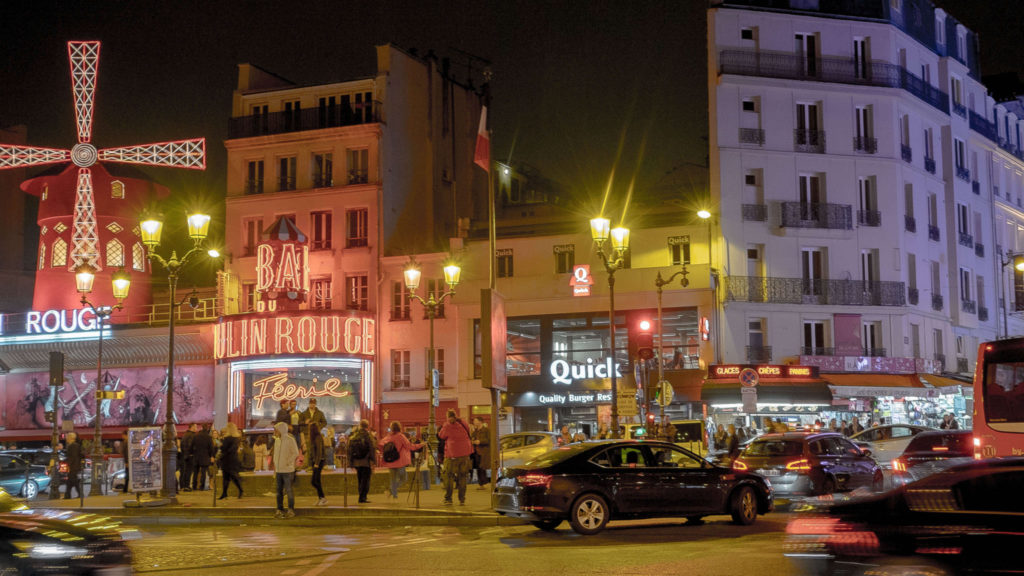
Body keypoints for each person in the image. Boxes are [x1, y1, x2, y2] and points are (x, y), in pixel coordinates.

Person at [378, 421, 424, 500]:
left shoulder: (388, 437)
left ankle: (394, 497)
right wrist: (421, 445)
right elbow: (410, 447)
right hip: (399, 462)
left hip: (391, 462)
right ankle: (390, 491)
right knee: (403, 478)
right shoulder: (401, 436)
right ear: (399, 427)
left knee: (393, 479)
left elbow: (380, 444)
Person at [438, 409, 473, 505]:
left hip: (452, 454)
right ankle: (462, 499)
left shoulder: (447, 425)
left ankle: (448, 499)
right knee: (462, 477)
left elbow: (441, 435)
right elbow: (469, 431)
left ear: (448, 417)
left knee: (448, 476)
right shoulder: (463, 423)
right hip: (465, 454)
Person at [272, 421, 299, 518]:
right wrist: (275, 467)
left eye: (276, 430)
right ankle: (279, 509)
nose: (275, 432)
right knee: (279, 491)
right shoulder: (277, 441)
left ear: (281, 430)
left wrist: (288, 462)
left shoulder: (290, 439)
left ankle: (291, 509)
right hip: (279, 470)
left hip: (287, 470)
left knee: (288, 490)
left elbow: (295, 453)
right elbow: (276, 455)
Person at [348, 419, 376, 503]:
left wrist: (351, 462)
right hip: (365, 462)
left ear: (360, 425)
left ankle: (361, 496)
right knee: (365, 480)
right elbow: (372, 448)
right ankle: (362, 497)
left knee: (360, 479)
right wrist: (373, 461)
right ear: (367, 426)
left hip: (356, 462)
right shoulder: (368, 436)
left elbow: (349, 449)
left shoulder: (354, 436)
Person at [218, 423, 243, 499]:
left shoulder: (227, 438)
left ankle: (225, 493)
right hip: (233, 459)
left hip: (226, 459)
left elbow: (223, 448)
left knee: (226, 477)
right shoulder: (237, 438)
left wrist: (220, 446)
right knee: (232, 476)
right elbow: (233, 449)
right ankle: (237, 490)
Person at [307, 421, 328, 505]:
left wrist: (316, 463)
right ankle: (321, 498)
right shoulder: (314, 438)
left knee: (314, 481)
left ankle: (322, 497)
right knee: (316, 480)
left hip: (318, 462)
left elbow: (319, 451)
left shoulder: (317, 437)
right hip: (316, 461)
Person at [192, 424, 214, 491]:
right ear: (207, 428)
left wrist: (192, 453)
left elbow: (192, 446)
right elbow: (211, 448)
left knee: (195, 472)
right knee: (203, 472)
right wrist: (212, 456)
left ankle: (194, 486)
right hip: (205, 457)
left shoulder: (196, 436)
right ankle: (202, 486)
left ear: (201, 428)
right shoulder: (208, 437)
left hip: (196, 456)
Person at [470, 417, 491, 488]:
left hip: (484, 452)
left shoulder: (486, 430)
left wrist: (480, 441)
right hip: (476, 452)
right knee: (478, 468)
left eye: (475, 421)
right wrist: (473, 441)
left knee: (482, 467)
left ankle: (483, 483)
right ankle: (481, 484)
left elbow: (489, 440)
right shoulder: (475, 431)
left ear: (480, 422)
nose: (474, 422)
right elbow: (471, 438)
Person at [64, 432, 83, 499]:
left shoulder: (73, 445)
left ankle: (78, 494)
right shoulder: (73, 445)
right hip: (74, 465)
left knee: (73, 480)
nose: (66, 438)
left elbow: (73, 456)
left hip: (74, 466)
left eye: (67, 437)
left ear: (70, 438)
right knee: (70, 481)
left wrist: (68, 463)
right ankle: (67, 495)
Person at [179, 423, 196, 492]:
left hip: (184, 455)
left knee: (184, 471)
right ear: (191, 427)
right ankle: (187, 486)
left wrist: (184, 453)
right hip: (190, 455)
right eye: (195, 427)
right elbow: (191, 445)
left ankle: (182, 485)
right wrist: (191, 453)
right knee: (189, 471)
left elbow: (181, 445)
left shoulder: (185, 435)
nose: (196, 428)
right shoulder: (192, 435)